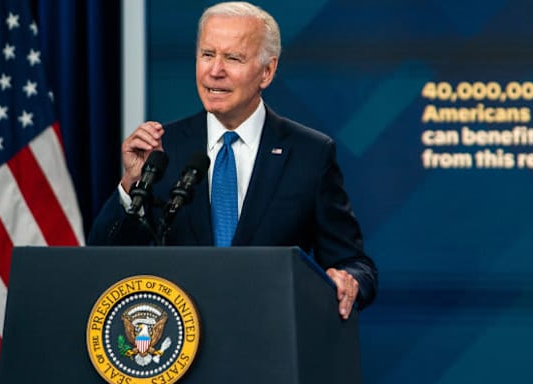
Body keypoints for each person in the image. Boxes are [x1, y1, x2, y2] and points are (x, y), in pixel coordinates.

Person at [88, 2, 376, 318]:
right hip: (175, 348)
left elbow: (354, 264)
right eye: (207, 55)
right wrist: (130, 184)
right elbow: (103, 258)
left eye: (233, 58)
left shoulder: (309, 153)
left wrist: (349, 282)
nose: (215, 70)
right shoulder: (160, 149)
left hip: (270, 345)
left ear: (267, 71)